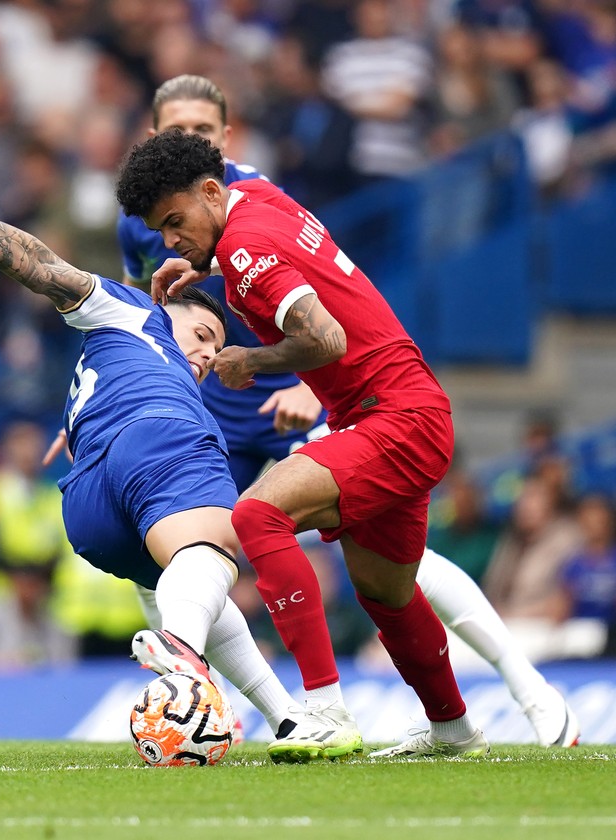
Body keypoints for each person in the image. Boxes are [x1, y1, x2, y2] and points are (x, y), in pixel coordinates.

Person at [117, 75, 578, 750]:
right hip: (399, 408)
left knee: (257, 514)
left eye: (176, 225)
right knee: (386, 590)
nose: (171, 242)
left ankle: (326, 711)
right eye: (160, 231)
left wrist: (253, 361)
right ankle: (452, 727)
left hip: (393, 416)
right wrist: (207, 266)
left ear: (212, 189)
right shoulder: (254, 199)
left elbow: (324, 337)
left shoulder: (244, 253)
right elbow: (277, 255)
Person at [0, 143, 305, 752]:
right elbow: (40, 264)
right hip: (152, 440)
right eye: (202, 334)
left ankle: (282, 716)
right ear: (161, 305)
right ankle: (181, 655)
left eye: (212, 347)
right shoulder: (128, 310)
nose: (205, 355)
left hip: (90, 506)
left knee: (188, 578)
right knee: (217, 546)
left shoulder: (113, 361)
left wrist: (78, 426)